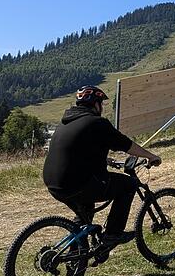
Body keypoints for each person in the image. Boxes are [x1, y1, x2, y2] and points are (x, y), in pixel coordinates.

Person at [42, 85, 162, 248]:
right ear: (96, 104)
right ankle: (113, 234)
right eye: (101, 104)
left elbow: (78, 151)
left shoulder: (65, 123)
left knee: (84, 213)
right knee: (128, 185)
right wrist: (150, 156)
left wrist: (105, 160)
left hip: (54, 184)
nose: (102, 108)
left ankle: (76, 257)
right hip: (78, 183)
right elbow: (125, 144)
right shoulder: (96, 123)